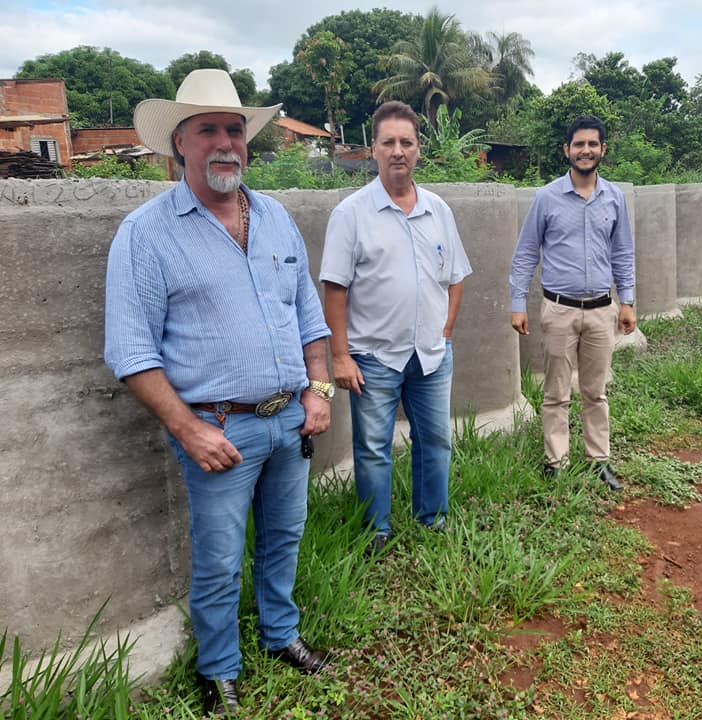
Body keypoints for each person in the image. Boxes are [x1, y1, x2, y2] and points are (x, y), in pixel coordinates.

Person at [104, 69, 335, 716]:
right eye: (207, 130)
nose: (226, 141)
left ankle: (281, 636)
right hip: (219, 430)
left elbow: (308, 319)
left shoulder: (276, 217)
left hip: (290, 420)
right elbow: (130, 353)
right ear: (178, 145)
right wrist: (188, 429)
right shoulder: (146, 235)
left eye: (235, 128)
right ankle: (219, 670)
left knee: (284, 538)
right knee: (219, 560)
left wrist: (318, 392)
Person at [320, 100, 472, 554]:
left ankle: (433, 519)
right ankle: (376, 530)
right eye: (388, 142)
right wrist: (341, 356)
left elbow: (456, 277)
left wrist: (444, 333)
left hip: (430, 355)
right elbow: (335, 289)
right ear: (373, 149)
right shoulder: (351, 214)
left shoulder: (438, 210)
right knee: (372, 448)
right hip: (374, 357)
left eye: (406, 141)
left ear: (419, 149)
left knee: (436, 440)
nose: (398, 151)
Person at [509, 115, 636, 490]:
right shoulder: (546, 197)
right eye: (578, 144)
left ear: (603, 150)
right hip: (559, 309)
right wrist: (518, 303)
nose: (586, 151)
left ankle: (599, 460)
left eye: (592, 144)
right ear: (567, 150)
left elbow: (623, 252)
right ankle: (556, 461)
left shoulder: (614, 198)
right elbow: (525, 253)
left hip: (601, 310)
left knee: (596, 390)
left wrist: (626, 300)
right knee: (556, 390)